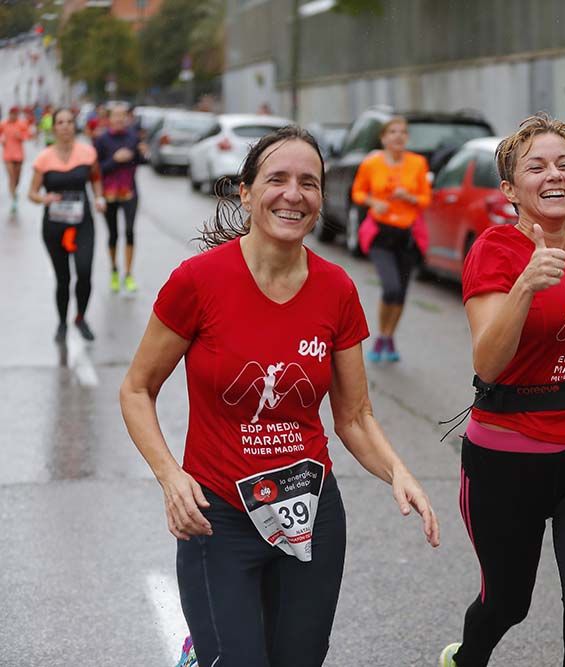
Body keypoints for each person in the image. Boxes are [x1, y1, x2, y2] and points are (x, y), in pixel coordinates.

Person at [119, 125, 440, 667]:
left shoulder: (336, 289)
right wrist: (171, 477)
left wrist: (398, 471)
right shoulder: (198, 282)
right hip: (216, 514)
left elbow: (355, 416)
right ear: (245, 192)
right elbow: (136, 389)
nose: (294, 194)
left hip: (308, 512)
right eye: (278, 179)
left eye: (309, 183)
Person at [438, 114, 565, 667]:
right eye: (537, 167)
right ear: (510, 189)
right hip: (507, 458)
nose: (555, 175)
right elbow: (488, 361)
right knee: (507, 604)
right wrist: (527, 283)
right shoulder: (495, 251)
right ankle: (466, 658)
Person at [351, 116, 430, 363]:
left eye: (403, 132)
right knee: (391, 287)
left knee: (402, 293)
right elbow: (357, 192)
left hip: (407, 236)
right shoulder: (371, 164)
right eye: (392, 132)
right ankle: (380, 336)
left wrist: (410, 197)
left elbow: (426, 199)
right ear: (383, 138)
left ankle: (389, 337)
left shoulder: (418, 163)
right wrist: (373, 201)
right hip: (381, 235)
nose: (398, 136)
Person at [28, 108, 106, 342]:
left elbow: (96, 180)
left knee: (84, 271)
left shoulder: (87, 153)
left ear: (75, 126)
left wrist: (100, 198)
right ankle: (62, 322)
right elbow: (32, 193)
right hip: (54, 224)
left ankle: (81, 317)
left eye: (69, 122)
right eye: (60, 122)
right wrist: (45, 198)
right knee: (63, 278)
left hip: (82, 222)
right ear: (54, 128)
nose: (65, 126)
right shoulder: (44, 158)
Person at [94, 103, 146, 293]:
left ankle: (129, 274)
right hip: (109, 194)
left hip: (130, 192)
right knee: (113, 234)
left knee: (130, 231)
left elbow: (140, 161)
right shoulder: (101, 140)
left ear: (127, 118)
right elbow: (97, 169)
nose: (119, 119)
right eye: (115, 116)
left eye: (122, 116)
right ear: (109, 118)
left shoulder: (133, 137)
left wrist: (141, 153)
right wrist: (115, 160)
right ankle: (114, 270)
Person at [1, 105, 33, 212]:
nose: (13, 116)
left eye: (15, 114)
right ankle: (14, 198)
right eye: (12, 114)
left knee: (17, 177)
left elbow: (28, 135)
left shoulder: (21, 124)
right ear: (9, 114)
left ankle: (15, 190)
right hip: (7, 155)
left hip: (18, 155)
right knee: (11, 176)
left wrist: (21, 136)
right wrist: (2, 139)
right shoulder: (4, 124)